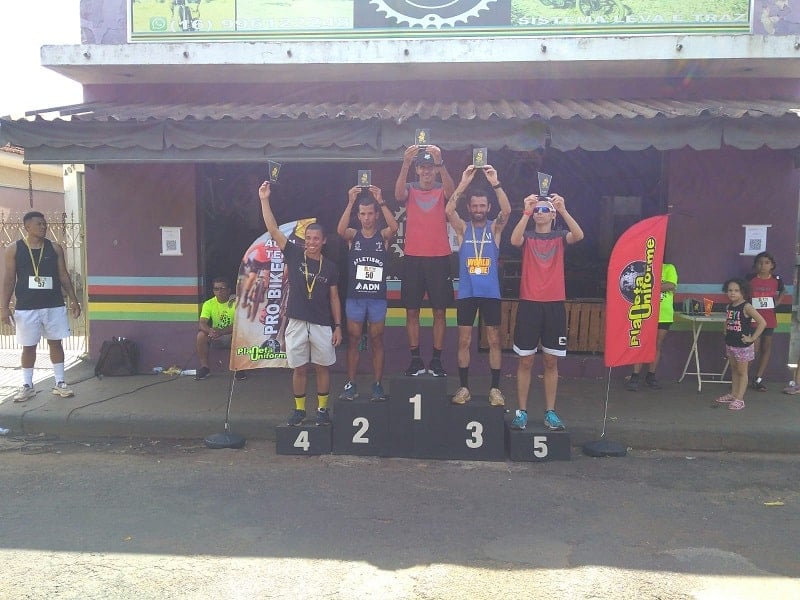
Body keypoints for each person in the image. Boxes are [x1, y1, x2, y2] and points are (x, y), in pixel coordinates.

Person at [259, 181, 342, 426]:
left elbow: (334, 297)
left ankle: (323, 410)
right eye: (308, 238)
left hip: (321, 323)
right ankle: (299, 410)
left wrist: (338, 326)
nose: (311, 242)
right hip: (295, 320)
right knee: (299, 368)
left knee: (322, 367)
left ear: (324, 241)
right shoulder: (294, 254)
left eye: (316, 238)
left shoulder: (330, 267)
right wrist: (264, 199)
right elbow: (274, 230)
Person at [509, 194, 584, 431]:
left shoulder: (560, 237)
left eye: (545, 209)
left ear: (552, 214)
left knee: (551, 361)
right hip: (529, 304)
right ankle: (521, 411)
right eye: (537, 209)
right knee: (526, 360)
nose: (540, 212)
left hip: (554, 305)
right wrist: (526, 210)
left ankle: (550, 412)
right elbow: (514, 240)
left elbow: (579, 235)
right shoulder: (528, 236)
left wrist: (562, 209)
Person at [445, 164, 511, 406]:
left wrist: (495, 182)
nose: (478, 209)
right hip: (467, 294)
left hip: (491, 294)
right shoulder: (463, 229)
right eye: (474, 206)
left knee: (494, 340)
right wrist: (463, 183)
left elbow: (507, 210)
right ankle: (464, 388)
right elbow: (449, 209)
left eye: (482, 206)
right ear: (470, 208)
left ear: (488, 207)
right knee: (463, 341)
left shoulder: (495, 228)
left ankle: (495, 389)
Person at [1, 211, 81, 401]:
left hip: (53, 305)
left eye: (45, 224)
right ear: (27, 227)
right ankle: (28, 386)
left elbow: (63, 275)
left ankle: (60, 383)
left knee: (56, 343)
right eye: (39, 224)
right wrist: (3, 307)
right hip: (26, 307)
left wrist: (74, 299)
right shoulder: (13, 249)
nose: (44, 227)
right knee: (28, 347)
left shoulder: (55, 248)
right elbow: (10, 278)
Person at [394, 144, 456, 377]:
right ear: (418, 170)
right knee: (412, 311)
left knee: (440, 311)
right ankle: (416, 359)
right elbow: (398, 195)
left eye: (431, 167)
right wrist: (405, 162)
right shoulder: (410, 189)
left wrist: (441, 162)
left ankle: (437, 360)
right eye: (423, 167)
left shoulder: (441, 189)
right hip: (413, 258)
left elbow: (452, 193)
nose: (427, 171)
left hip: (439, 258)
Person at [336, 185, 398, 402]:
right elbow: (340, 231)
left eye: (370, 213)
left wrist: (381, 200)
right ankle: (351, 383)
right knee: (353, 340)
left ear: (376, 214)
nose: (366, 218)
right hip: (356, 297)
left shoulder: (383, 235)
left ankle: (377, 384)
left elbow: (395, 227)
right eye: (362, 214)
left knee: (377, 339)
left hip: (377, 298)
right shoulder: (354, 235)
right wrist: (350, 202)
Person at [626, 261, 678, 390]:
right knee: (641, 342)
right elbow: (634, 286)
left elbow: (671, 284)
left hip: (663, 313)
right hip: (644, 310)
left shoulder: (669, 267)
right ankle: (635, 376)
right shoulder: (642, 267)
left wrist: (648, 286)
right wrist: (660, 286)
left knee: (657, 344)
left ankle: (651, 375)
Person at [715, 278, 766, 410]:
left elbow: (762, 322)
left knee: (742, 372)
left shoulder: (747, 306)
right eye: (730, 290)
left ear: (743, 291)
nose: (732, 293)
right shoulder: (730, 306)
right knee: (734, 369)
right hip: (731, 343)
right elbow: (728, 320)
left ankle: (740, 399)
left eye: (736, 290)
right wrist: (725, 330)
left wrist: (752, 338)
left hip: (743, 346)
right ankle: (733, 394)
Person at [746, 251, 784, 391]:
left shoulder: (777, 279)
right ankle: (743, 377)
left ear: (772, 265)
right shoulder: (750, 279)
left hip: (769, 319)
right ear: (755, 265)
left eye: (767, 263)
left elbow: (782, 292)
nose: (763, 265)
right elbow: (743, 294)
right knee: (753, 349)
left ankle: (758, 379)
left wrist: (776, 303)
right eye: (760, 262)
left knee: (766, 348)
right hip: (753, 319)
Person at [194, 277, 246, 381]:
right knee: (201, 335)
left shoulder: (236, 302)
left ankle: (239, 368)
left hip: (230, 335)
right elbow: (202, 323)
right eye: (216, 289)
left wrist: (221, 331)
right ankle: (205, 368)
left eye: (222, 288)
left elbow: (240, 324)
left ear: (229, 290)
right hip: (215, 335)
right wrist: (210, 331)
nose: (219, 291)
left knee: (241, 334)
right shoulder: (209, 303)